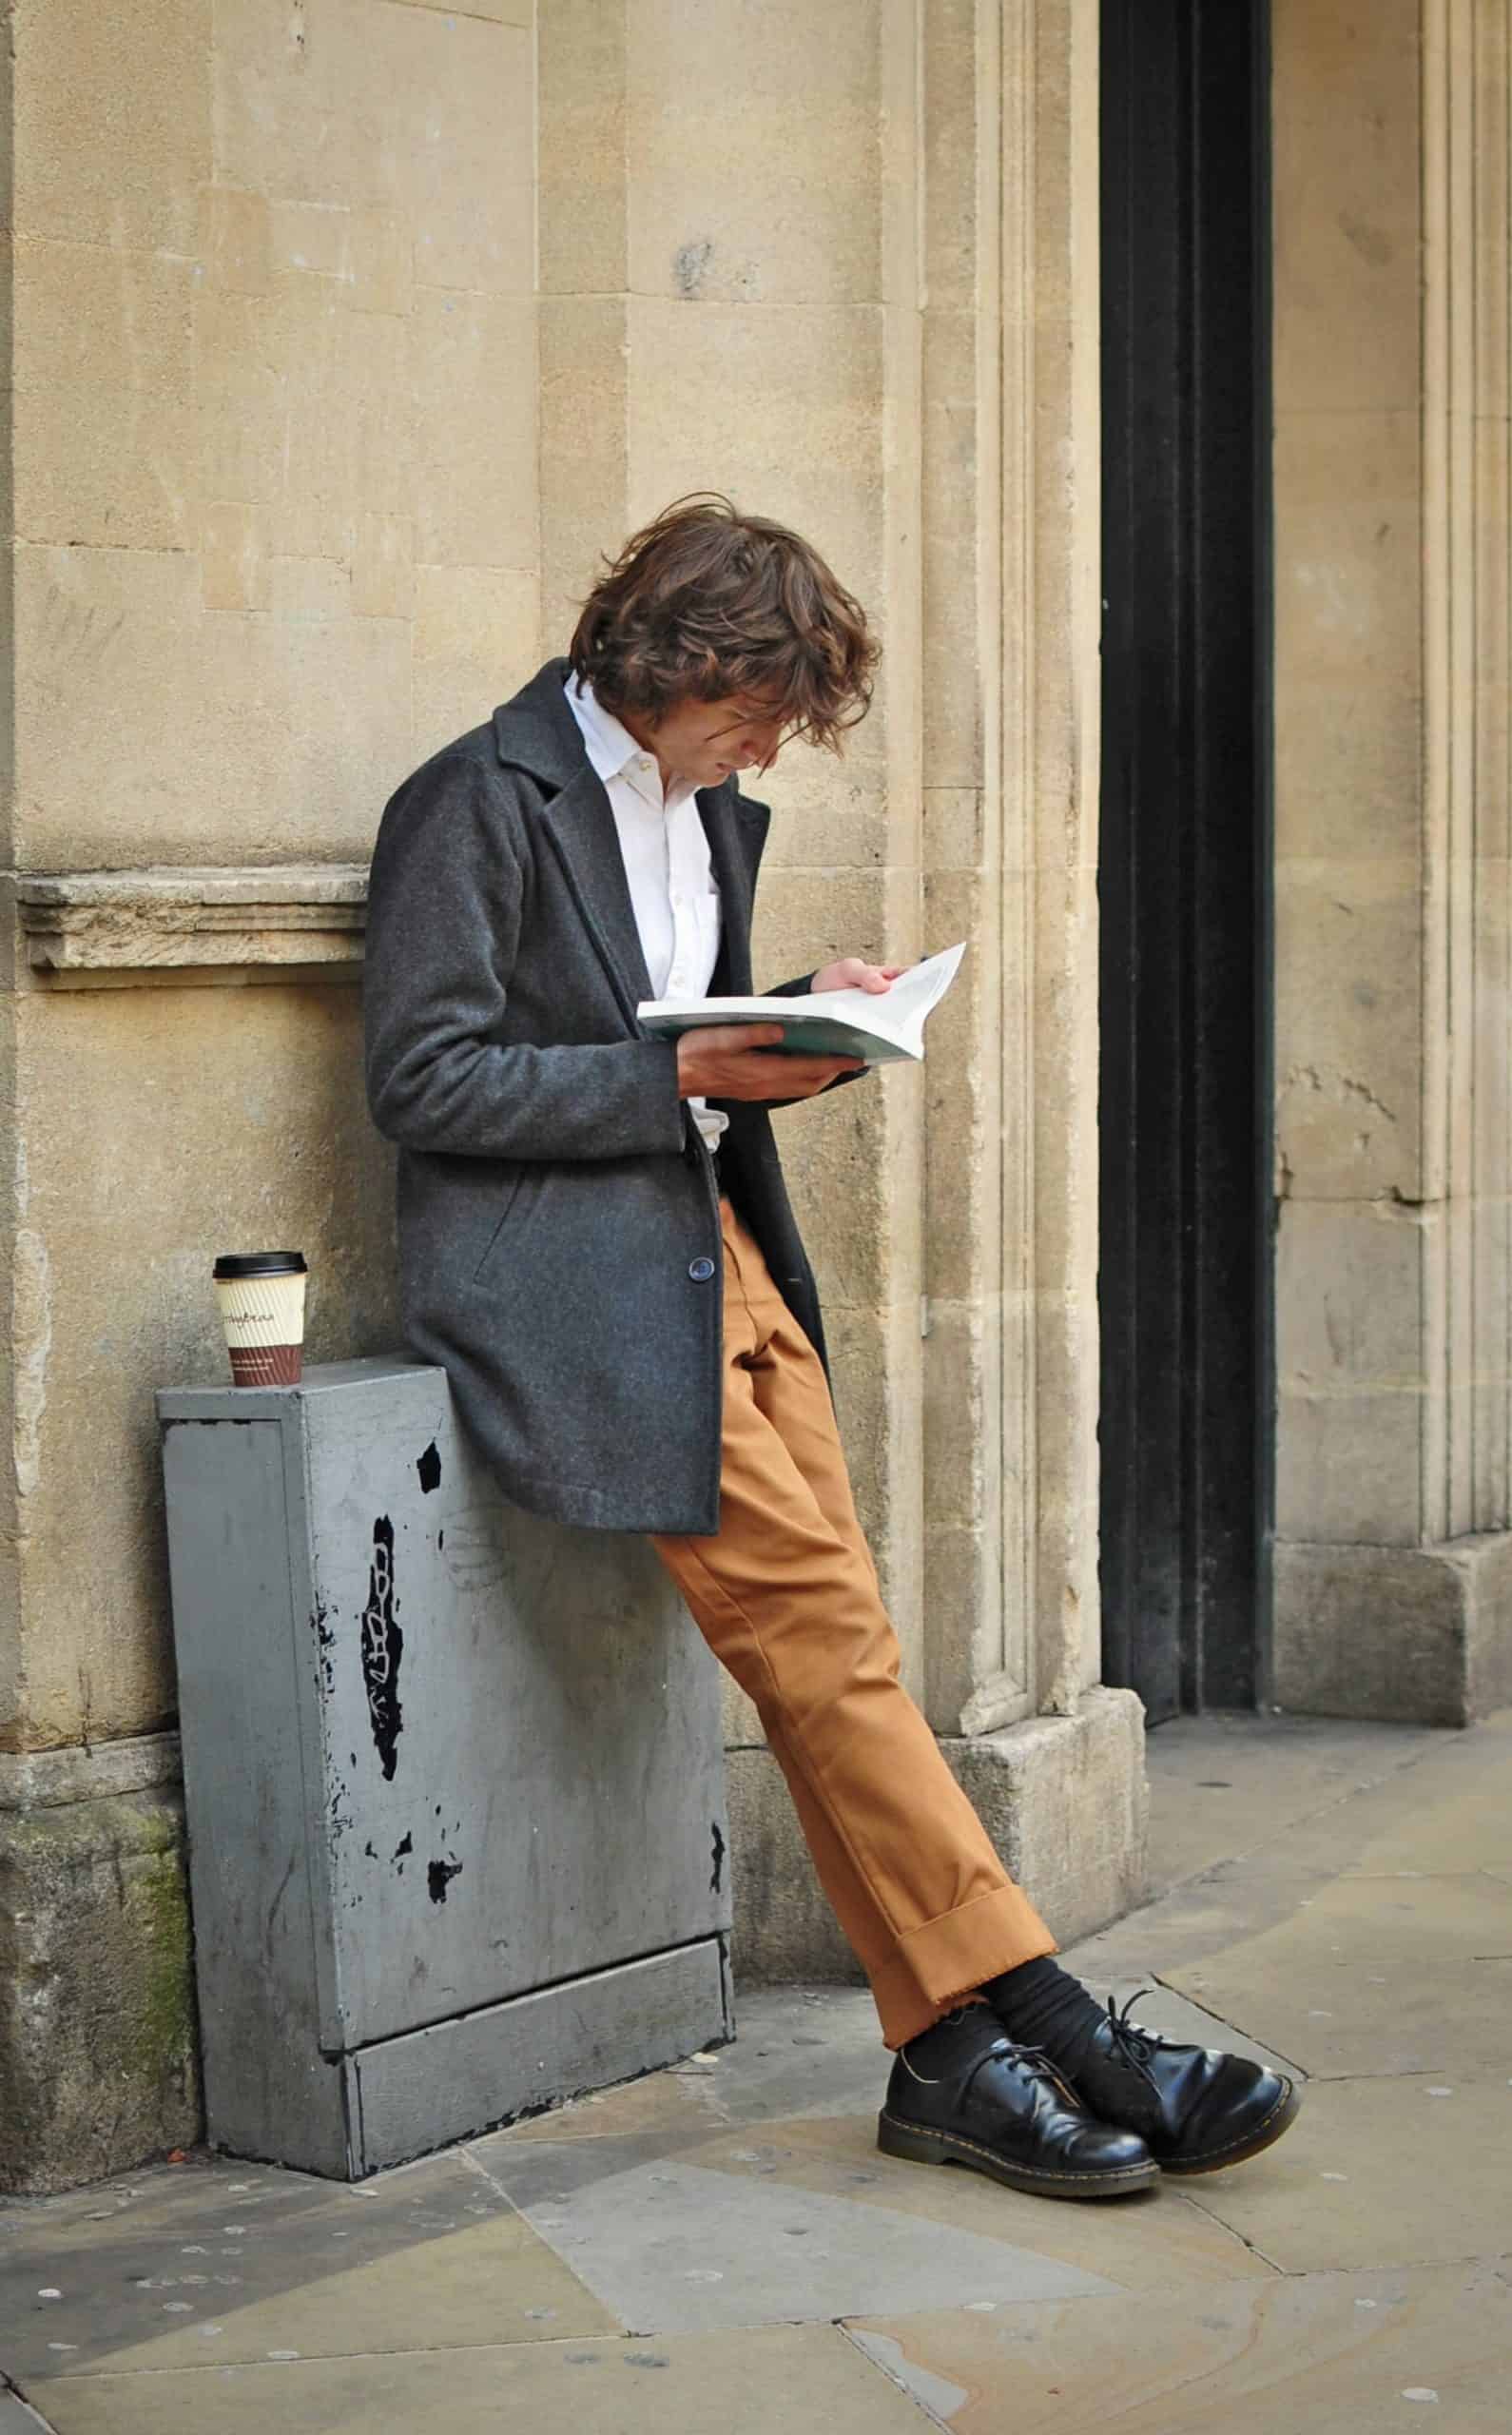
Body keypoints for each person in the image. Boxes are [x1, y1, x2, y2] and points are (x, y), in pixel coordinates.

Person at [363, 495, 1299, 2202]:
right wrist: (687, 1076)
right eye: (759, 704)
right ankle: (1043, 2018)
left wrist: (806, 1014)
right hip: (577, 1291)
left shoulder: (708, 812)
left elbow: (671, 1031)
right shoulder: (474, 800)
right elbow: (422, 1085)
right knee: (828, 1650)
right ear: (670, 661)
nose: (771, 741)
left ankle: (954, 2053)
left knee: (835, 1646)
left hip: (716, 1255)